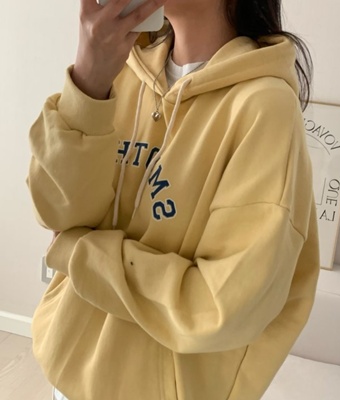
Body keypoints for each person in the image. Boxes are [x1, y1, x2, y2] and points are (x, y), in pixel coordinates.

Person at [27, 0, 320, 399]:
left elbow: (220, 306)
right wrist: (88, 83)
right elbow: (57, 212)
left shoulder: (263, 107)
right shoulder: (119, 71)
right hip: (69, 369)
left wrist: (80, 252)